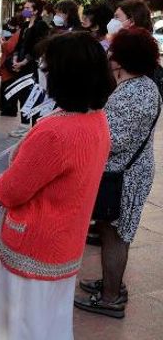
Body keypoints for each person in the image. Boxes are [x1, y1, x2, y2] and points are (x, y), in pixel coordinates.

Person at [0, 32, 114, 340]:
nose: (42, 74)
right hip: (65, 244)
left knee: (21, 328)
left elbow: (14, 190)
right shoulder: (97, 120)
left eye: (47, 69)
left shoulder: (55, 130)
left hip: (34, 245)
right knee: (53, 324)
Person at [74, 28, 161, 318]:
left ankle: (110, 297)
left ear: (122, 58)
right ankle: (111, 283)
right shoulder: (141, 85)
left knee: (115, 234)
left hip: (123, 177)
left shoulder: (134, 93)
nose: (108, 55)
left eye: (113, 51)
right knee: (111, 231)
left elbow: (114, 140)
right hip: (127, 173)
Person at [9, 0, 51, 137]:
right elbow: (19, 44)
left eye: (28, 7)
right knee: (22, 94)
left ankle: (34, 126)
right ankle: (24, 124)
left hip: (32, 66)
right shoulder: (25, 24)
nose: (25, 9)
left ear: (36, 10)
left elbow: (38, 47)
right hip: (20, 65)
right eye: (24, 7)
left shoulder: (41, 25)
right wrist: (16, 59)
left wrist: (25, 61)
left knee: (33, 94)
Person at [0, 16, 25, 117]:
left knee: (8, 87)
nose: (8, 27)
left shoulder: (18, 34)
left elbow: (9, 48)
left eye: (10, 25)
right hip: (9, 65)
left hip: (10, 66)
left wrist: (2, 42)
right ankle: (7, 108)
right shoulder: (17, 33)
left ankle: (8, 109)